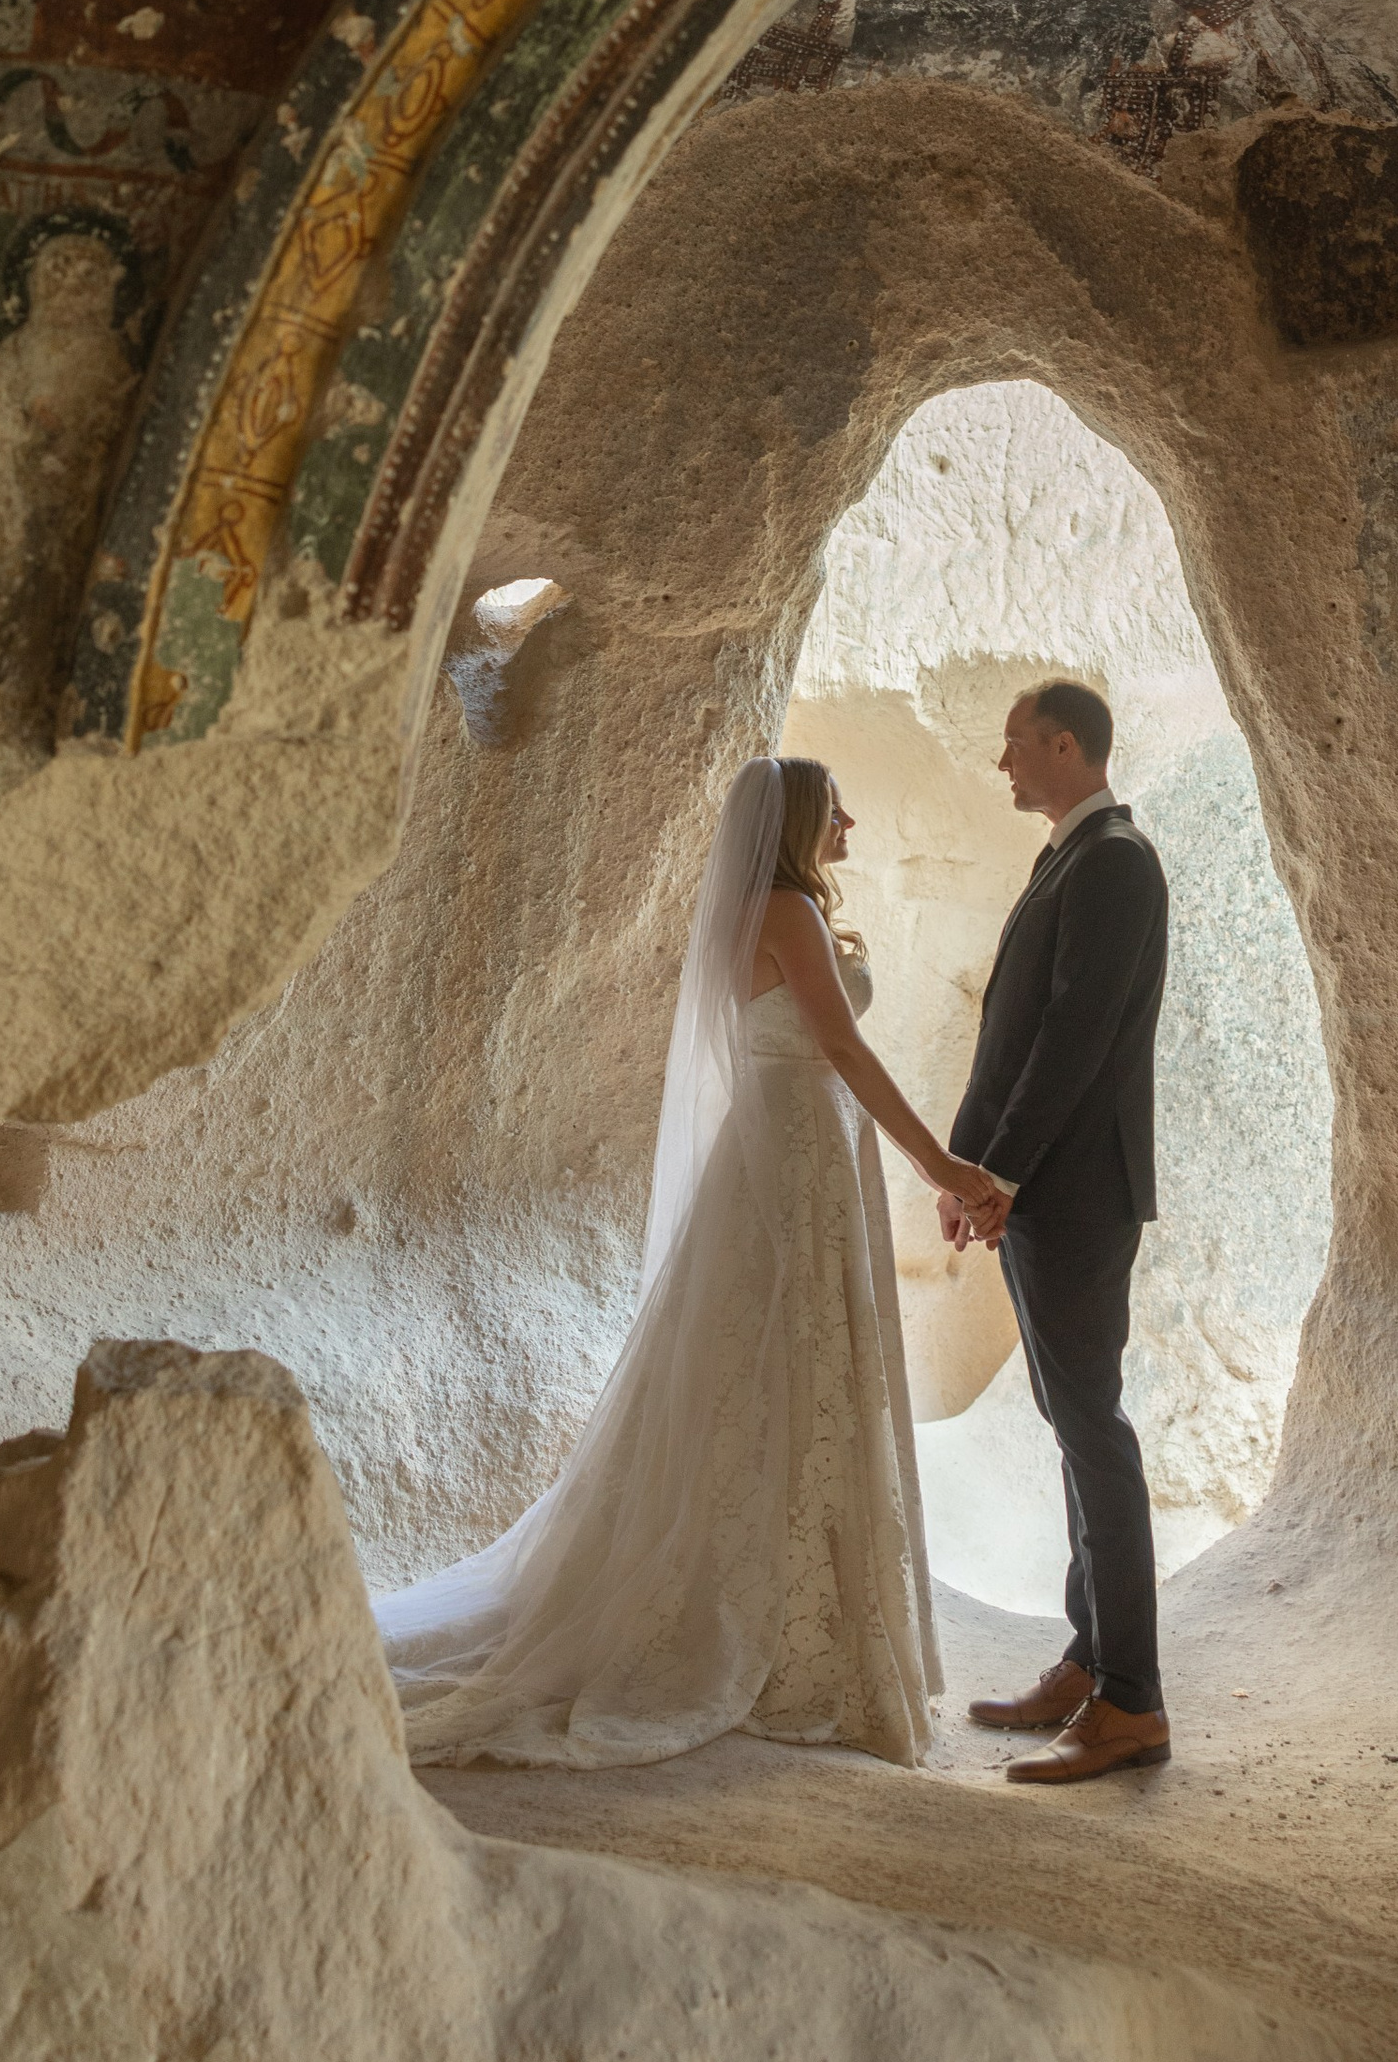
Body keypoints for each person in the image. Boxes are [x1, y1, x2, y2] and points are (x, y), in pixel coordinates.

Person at [375, 753, 1008, 1765]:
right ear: (800, 820)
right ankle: (784, 1623)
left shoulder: (765, 908)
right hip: (799, 1138)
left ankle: (783, 1596)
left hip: (794, 1138)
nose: (850, 816)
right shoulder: (787, 910)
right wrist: (945, 1164)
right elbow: (841, 1049)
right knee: (792, 1367)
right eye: (834, 804)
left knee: (763, 1373)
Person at [947, 679, 1173, 1784]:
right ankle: (1091, 1661)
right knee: (1070, 1416)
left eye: (1017, 742)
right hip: (1046, 1189)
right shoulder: (1075, 856)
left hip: (1077, 1194)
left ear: (1071, 744)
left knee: (1091, 1427)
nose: (1004, 762)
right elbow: (1011, 1029)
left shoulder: (1116, 860)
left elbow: (1074, 1042)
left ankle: (1132, 1698)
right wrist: (965, 1162)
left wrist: (997, 1172)